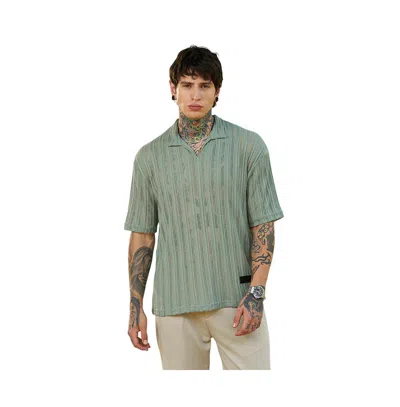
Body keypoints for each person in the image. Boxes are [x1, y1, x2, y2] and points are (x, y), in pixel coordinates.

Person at [124, 45, 284, 370]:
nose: (195, 95)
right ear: (173, 88)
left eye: (204, 85)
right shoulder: (149, 157)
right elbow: (143, 235)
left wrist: (256, 293)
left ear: (217, 91)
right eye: (187, 85)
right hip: (175, 304)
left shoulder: (249, 146)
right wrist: (134, 306)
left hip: (237, 300)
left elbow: (263, 226)